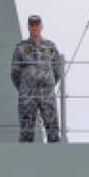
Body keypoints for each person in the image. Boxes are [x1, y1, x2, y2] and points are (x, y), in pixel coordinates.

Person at [10, 15, 64, 143]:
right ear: (28, 27)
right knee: (26, 131)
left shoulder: (50, 47)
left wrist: (48, 84)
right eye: (32, 25)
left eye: (36, 25)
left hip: (47, 93)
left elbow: (57, 70)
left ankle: (56, 159)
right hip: (28, 94)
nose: (34, 27)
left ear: (41, 26)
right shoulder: (20, 48)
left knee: (52, 129)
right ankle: (24, 160)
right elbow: (15, 72)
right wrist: (25, 87)